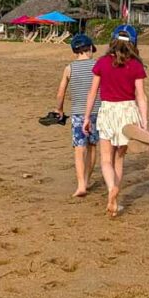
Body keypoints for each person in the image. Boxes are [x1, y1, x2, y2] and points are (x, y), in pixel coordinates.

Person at [83, 25, 148, 217]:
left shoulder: (102, 63)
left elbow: (92, 93)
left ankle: (111, 188)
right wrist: (144, 123)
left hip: (108, 110)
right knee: (119, 158)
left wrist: (87, 117)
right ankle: (115, 196)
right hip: (128, 112)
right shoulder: (136, 65)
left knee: (106, 159)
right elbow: (141, 96)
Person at [53, 34, 101, 197]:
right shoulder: (97, 65)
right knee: (92, 147)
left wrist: (59, 109)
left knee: (79, 149)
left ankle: (80, 185)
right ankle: (87, 180)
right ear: (89, 49)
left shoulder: (69, 68)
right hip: (96, 112)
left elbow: (61, 93)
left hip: (78, 114)